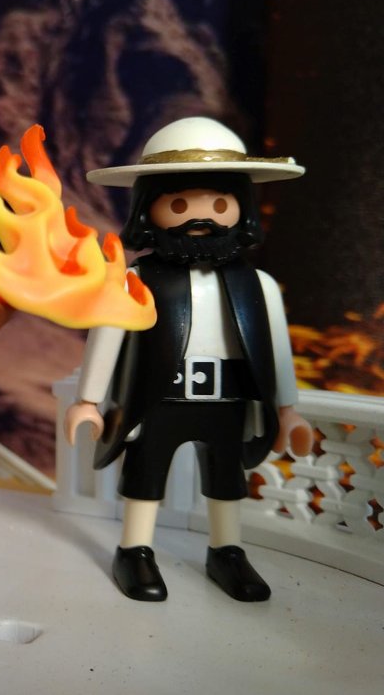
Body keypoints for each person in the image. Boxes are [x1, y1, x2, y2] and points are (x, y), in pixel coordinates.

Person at [65, 117, 313, 602]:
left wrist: (287, 410)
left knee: (226, 478)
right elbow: (107, 335)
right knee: (146, 474)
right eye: (178, 205)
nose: (203, 218)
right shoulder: (134, 280)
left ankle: (227, 551)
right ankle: (134, 550)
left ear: (241, 207)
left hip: (229, 398)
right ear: (149, 208)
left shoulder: (258, 285)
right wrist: (88, 400)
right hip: (158, 395)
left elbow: (278, 350)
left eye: (220, 205)